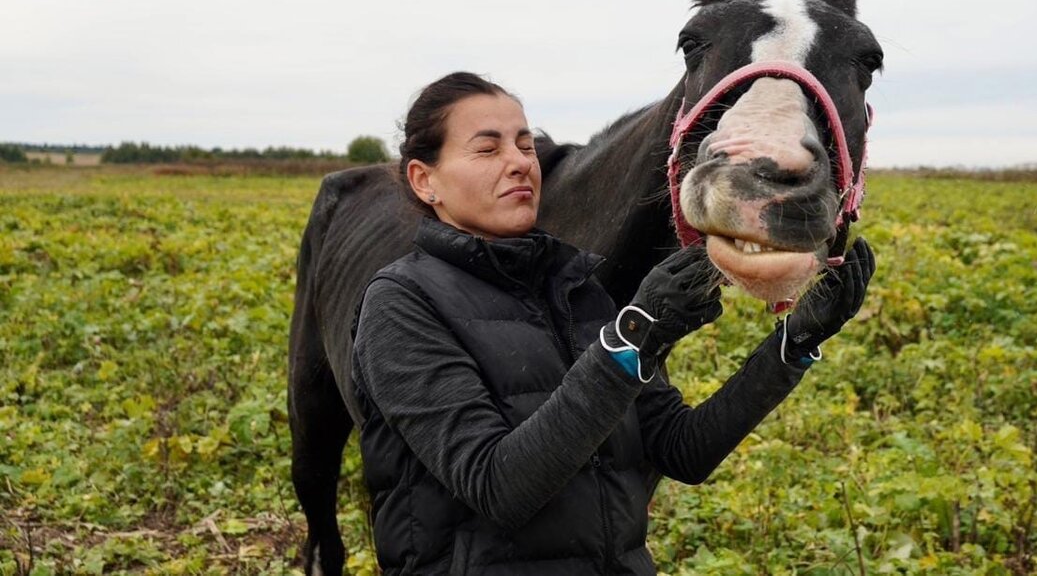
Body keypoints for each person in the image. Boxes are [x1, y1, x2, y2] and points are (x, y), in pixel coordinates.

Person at [351, 71, 875, 575]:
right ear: (425, 181)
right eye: (488, 149)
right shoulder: (401, 304)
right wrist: (635, 336)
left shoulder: (574, 287)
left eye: (525, 145)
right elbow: (497, 486)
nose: (519, 164)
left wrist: (793, 345)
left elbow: (682, 449)